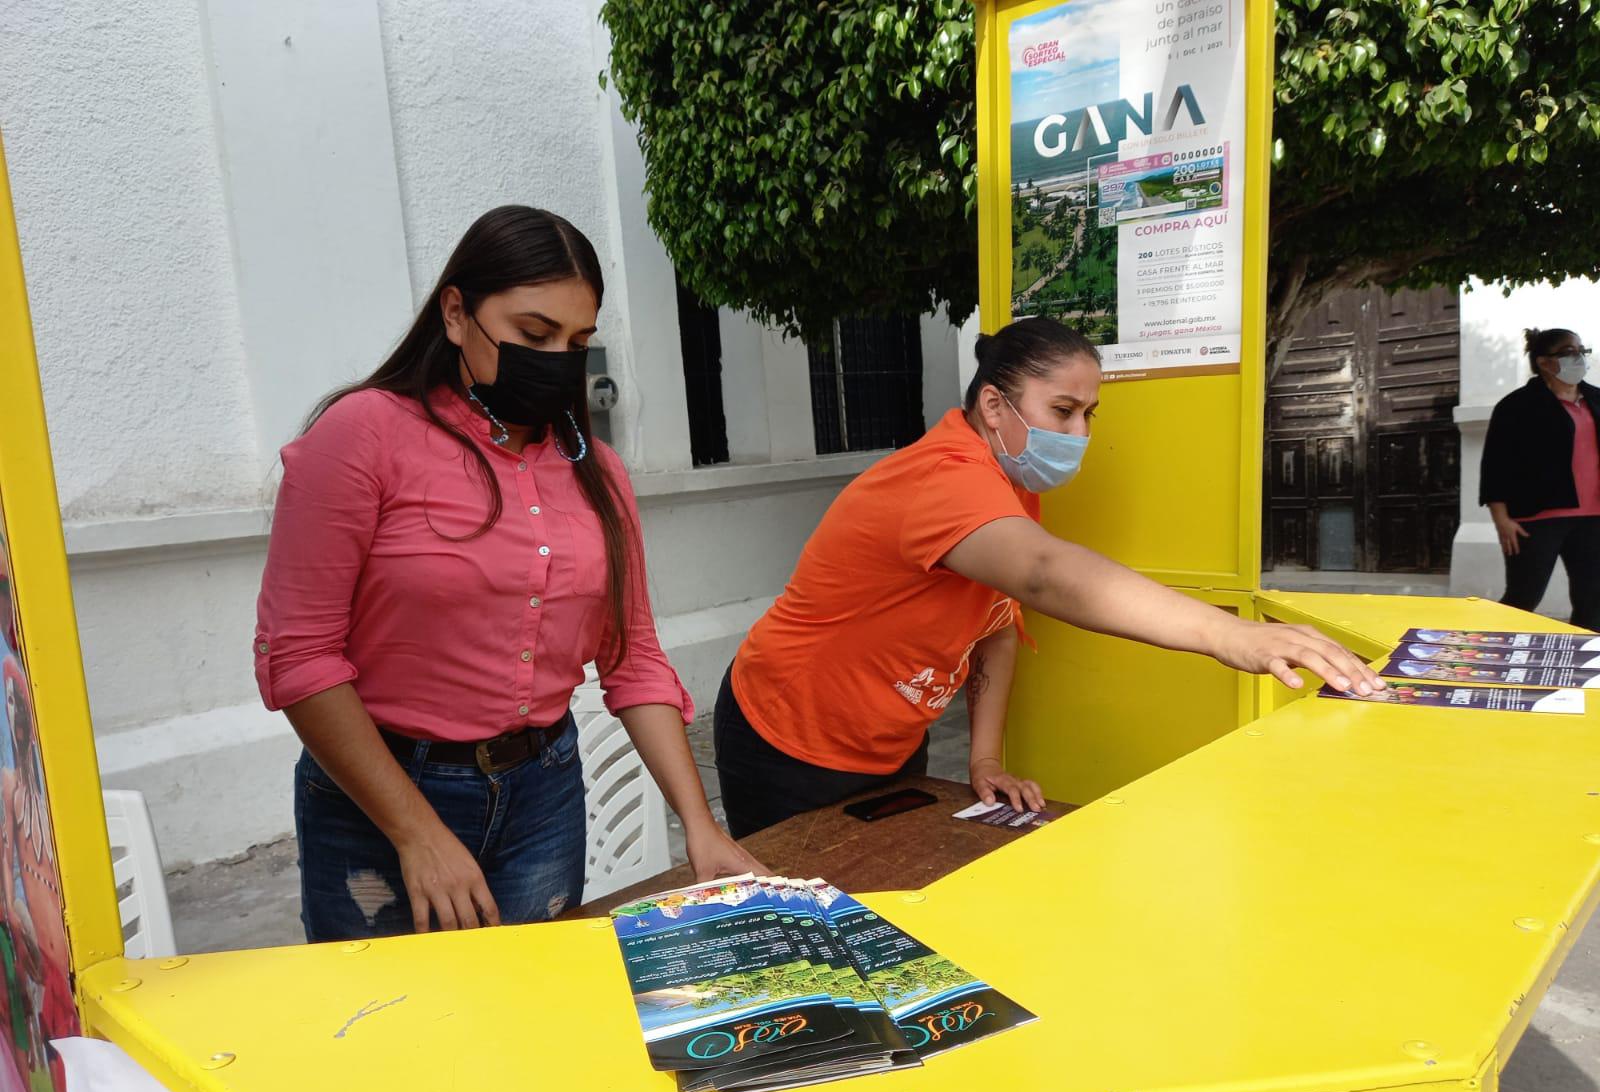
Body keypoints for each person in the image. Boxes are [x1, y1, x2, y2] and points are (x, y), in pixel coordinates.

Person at [255, 206, 759, 942]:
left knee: (530, 1016)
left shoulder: (598, 474)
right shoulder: (362, 436)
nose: (557, 358)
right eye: (532, 334)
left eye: (577, 341)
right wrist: (416, 833)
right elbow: (298, 657)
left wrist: (699, 825)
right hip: (380, 796)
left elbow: (633, 658)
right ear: (456, 313)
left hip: (542, 794)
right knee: (394, 1030)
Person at [716, 318, 1383, 838]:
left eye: (1089, 414)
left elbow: (995, 632)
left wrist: (982, 763)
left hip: (888, 742)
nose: (1081, 432)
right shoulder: (943, 479)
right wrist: (1232, 637)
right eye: (1063, 410)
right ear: (994, 404)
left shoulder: (1009, 488)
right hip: (785, 737)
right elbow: (1044, 574)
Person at [1480, 327, 1600, 631]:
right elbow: (1496, 464)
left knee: (1593, 600)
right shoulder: (1517, 406)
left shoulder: (1597, 399)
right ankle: (1491, 656)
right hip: (1535, 519)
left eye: (1581, 351)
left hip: (1593, 518)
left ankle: (1585, 666)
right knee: (1524, 597)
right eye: (1569, 352)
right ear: (1545, 362)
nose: (1579, 358)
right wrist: (1501, 519)